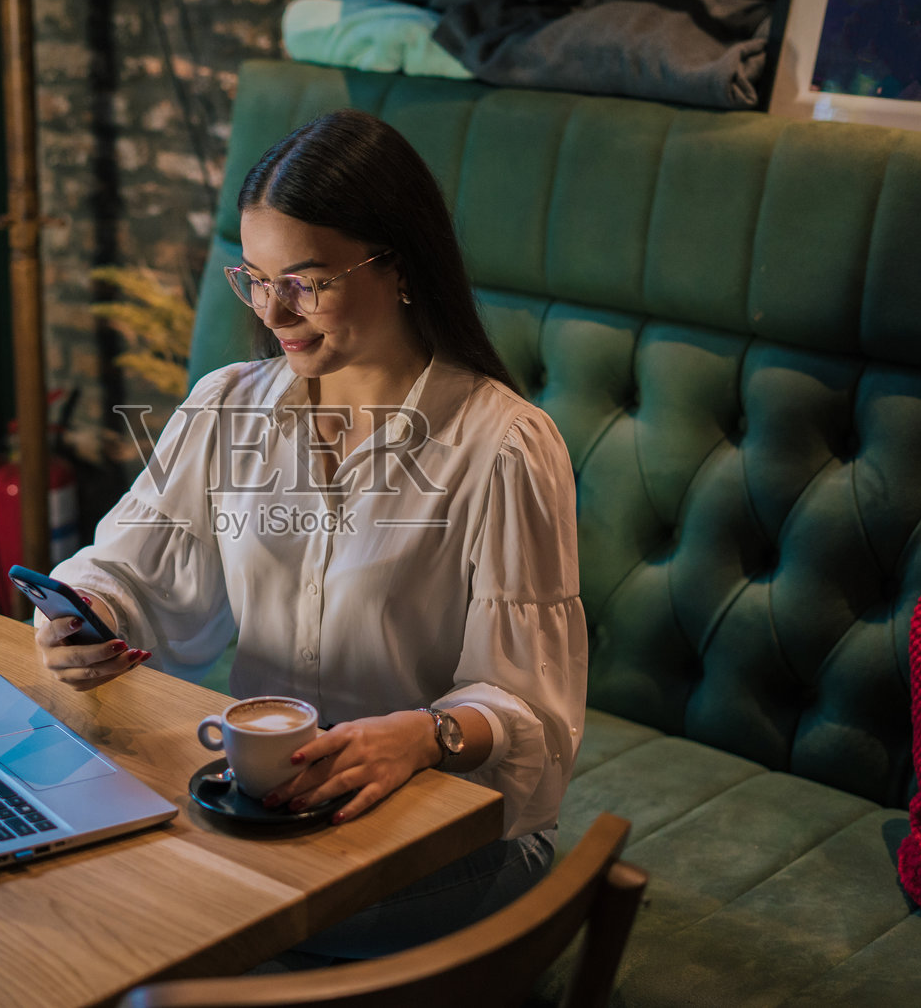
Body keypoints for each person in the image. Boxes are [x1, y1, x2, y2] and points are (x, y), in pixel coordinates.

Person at [35, 108, 587, 957]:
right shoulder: (228, 406)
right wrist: (85, 614)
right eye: (254, 277)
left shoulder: (504, 446)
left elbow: (534, 719)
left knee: (178, 937)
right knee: (74, 882)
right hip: (272, 810)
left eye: (305, 279)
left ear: (397, 266)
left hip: (449, 828)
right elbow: (129, 574)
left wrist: (426, 734)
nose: (274, 310)